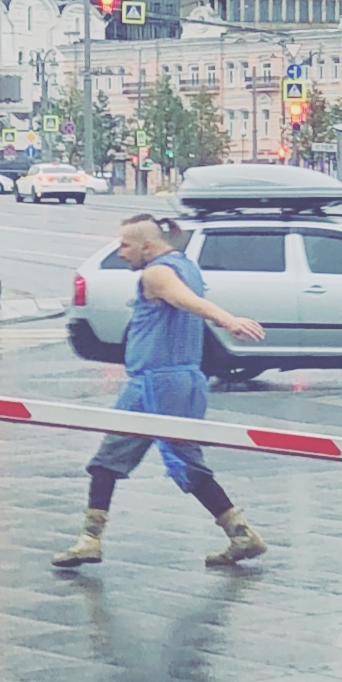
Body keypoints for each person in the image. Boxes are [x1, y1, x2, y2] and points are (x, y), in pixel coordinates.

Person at [63, 208, 274, 573]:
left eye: (125, 245)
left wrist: (228, 321)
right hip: (183, 381)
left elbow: (182, 300)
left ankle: (90, 540)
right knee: (182, 463)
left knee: (111, 461)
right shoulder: (186, 265)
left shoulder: (157, 273)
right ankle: (241, 534)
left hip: (155, 384)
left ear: (147, 246)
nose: (121, 253)